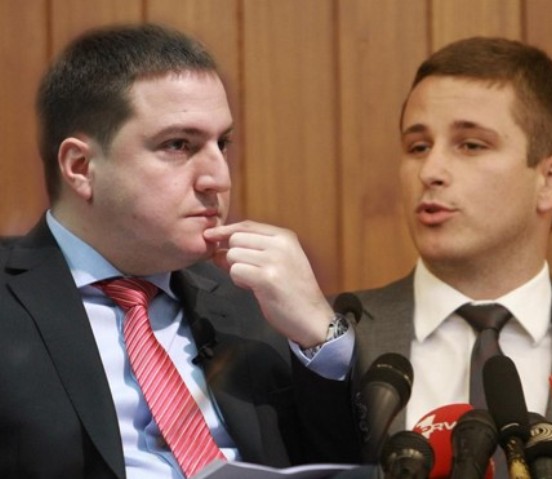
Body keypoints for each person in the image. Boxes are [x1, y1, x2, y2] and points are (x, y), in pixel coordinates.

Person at [0, 24, 364, 478]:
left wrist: (319, 336)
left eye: (222, 144)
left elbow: (344, 463)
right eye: (178, 145)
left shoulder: (255, 304)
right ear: (81, 167)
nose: (218, 178)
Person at [352, 37, 552, 477]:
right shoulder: (327, 346)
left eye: (471, 145)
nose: (430, 171)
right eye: (418, 147)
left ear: (550, 180)